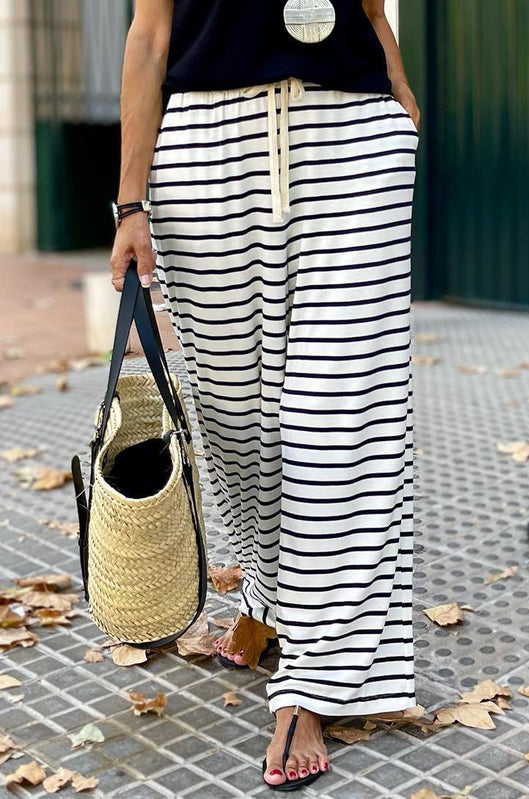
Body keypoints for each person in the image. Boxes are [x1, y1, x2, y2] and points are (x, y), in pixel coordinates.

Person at [110, 0, 420, 790]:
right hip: (207, 147)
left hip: (351, 132)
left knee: (333, 419)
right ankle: (268, 599)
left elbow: (370, 5)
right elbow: (150, 34)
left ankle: (313, 681)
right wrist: (130, 201)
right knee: (234, 420)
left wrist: (395, 81)